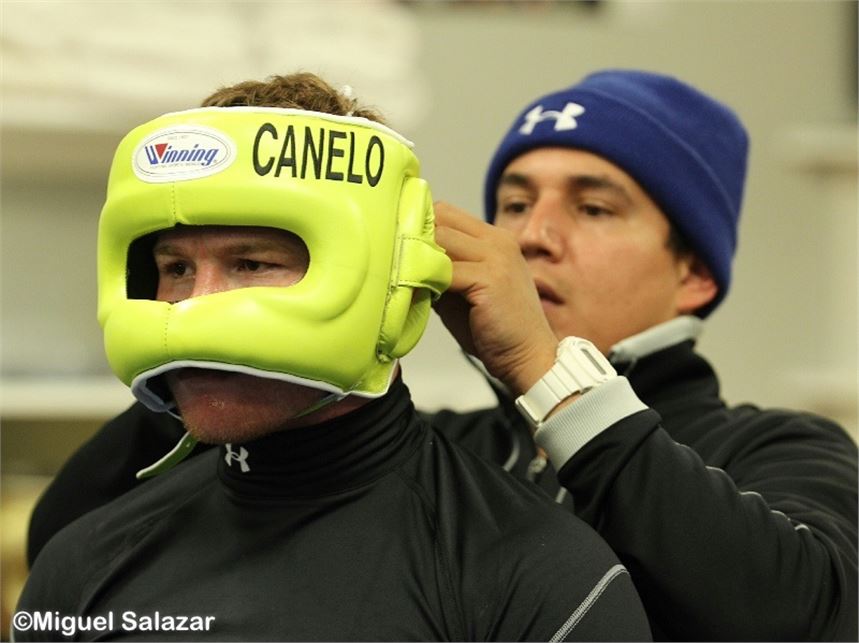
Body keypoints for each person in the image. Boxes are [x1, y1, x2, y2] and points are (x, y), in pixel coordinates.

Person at [26, 69, 858, 641]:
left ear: (693, 272)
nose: (532, 234)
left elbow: (797, 616)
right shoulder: (445, 450)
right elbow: (79, 550)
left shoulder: (778, 450)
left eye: (594, 207)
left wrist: (536, 362)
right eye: (513, 201)